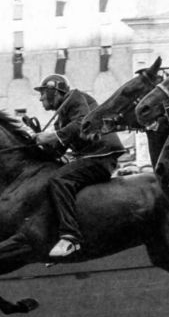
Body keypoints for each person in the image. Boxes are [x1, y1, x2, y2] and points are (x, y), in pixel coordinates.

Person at [33, 74, 127, 257]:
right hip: (93, 156)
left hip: (101, 156)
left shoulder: (74, 98)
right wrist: (37, 143)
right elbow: (58, 150)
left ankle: (70, 237)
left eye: (44, 93)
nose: (40, 98)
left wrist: (51, 136)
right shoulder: (62, 117)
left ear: (55, 91)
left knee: (60, 179)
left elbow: (82, 123)